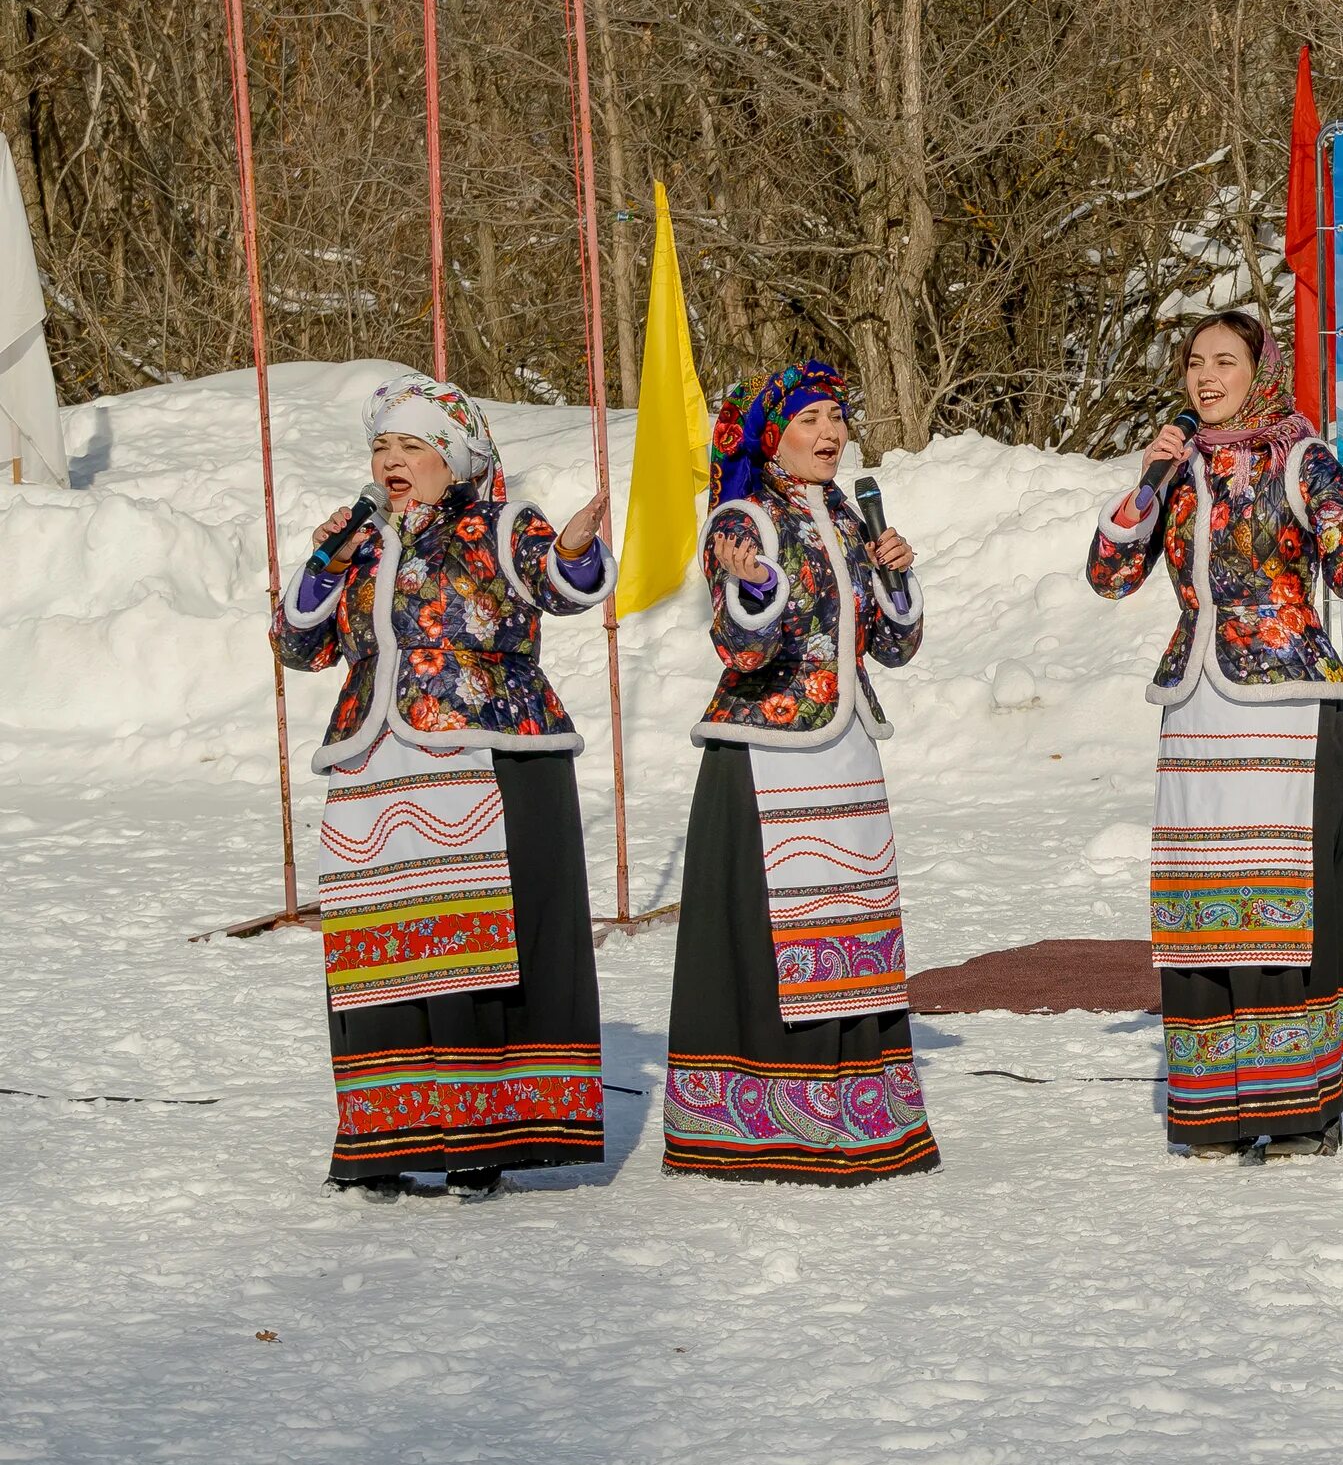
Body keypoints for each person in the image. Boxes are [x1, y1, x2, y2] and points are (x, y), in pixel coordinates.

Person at [272, 372, 614, 1198]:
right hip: (375, 764)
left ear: (453, 458)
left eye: (411, 445)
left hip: (483, 757)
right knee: (386, 954)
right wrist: (326, 561)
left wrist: (570, 550)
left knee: (473, 953)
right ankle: (385, 1136)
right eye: (381, 447)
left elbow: (560, 585)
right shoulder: (363, 540)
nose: (392, 460)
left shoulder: (498, 522)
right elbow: (297, 644)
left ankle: (479, 1138)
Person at [1089, 311, 1343, 1162]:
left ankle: (1301, 1103)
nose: (1205, 377)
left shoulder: (1302, 457)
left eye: (1223, 361)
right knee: (1206, 903)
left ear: (1258, 370)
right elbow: (1108, 574)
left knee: (1286, 900)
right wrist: (1150, 476)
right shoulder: (1179, 466)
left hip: (1288, 706)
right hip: (1198, 702)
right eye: (1194, 362)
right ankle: (1214, 1108)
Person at [661, 360, 938, 1185]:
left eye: (837, 417)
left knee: (846, 926)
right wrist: (757, 585)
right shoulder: (741, 517)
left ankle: (857, 1109)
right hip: (766, 758)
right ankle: (765, 1121)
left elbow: (895, 648)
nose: (830, 433)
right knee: (776, 935)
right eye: (811, 418)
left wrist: (895, 575)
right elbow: (742, 649)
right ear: (773, 435)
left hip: (847, 749)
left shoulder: (850, 514)